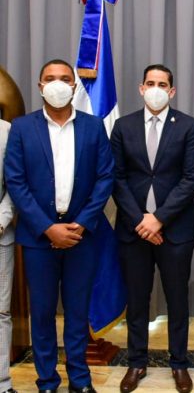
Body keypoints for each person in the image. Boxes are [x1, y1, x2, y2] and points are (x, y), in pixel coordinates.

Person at [4, 59, 114, 393]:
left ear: (74, 86)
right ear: (40, 86)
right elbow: (16, 181)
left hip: (82, 237)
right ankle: (47, 381)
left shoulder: (93, 127)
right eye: (50, 78)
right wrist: (47, 227)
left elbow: (105, 177)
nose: (58, 84)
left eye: (65, 78)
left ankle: (79, 379)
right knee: (42, 313)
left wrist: (81, 223)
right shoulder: (22, 127)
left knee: (78, 313)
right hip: (39, 239)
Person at [111, 64, 194, 393]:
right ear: (141, 88)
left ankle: (179, 364)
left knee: (177, 300)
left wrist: (159, 218)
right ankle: (137, 362)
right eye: (150, 83)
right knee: (137, 300)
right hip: (133, 229)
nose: (155, 88)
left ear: (172, 91)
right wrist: (140, 220)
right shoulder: (123, 126)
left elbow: (191, 178)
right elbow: (116, 177)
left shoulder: (189, 126)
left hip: (175, 231)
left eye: (162, 84)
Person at [0, 119, 15, 393]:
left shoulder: (7, 131)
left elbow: (16, 182)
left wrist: (1, 221)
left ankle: (2, 383)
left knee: (0, 313)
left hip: (0, 235)